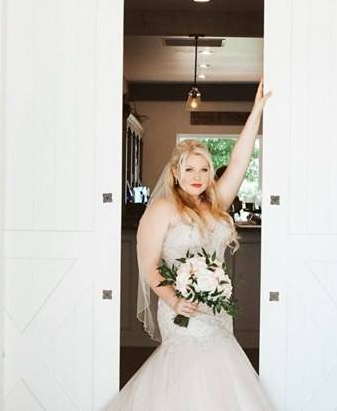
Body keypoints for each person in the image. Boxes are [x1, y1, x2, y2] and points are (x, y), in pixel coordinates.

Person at [102, 80, 274, 410]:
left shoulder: (218, 204)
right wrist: (174, 299)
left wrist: (257, 112)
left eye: (204, 169)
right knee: (187, 382)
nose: (197, 175)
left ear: (211, 174)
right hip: (180, 309)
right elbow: (149, 265)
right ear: (176, 173)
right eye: (189, 168)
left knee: (222, 380)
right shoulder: (162, 210)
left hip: (218, 312)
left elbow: (239, 161)